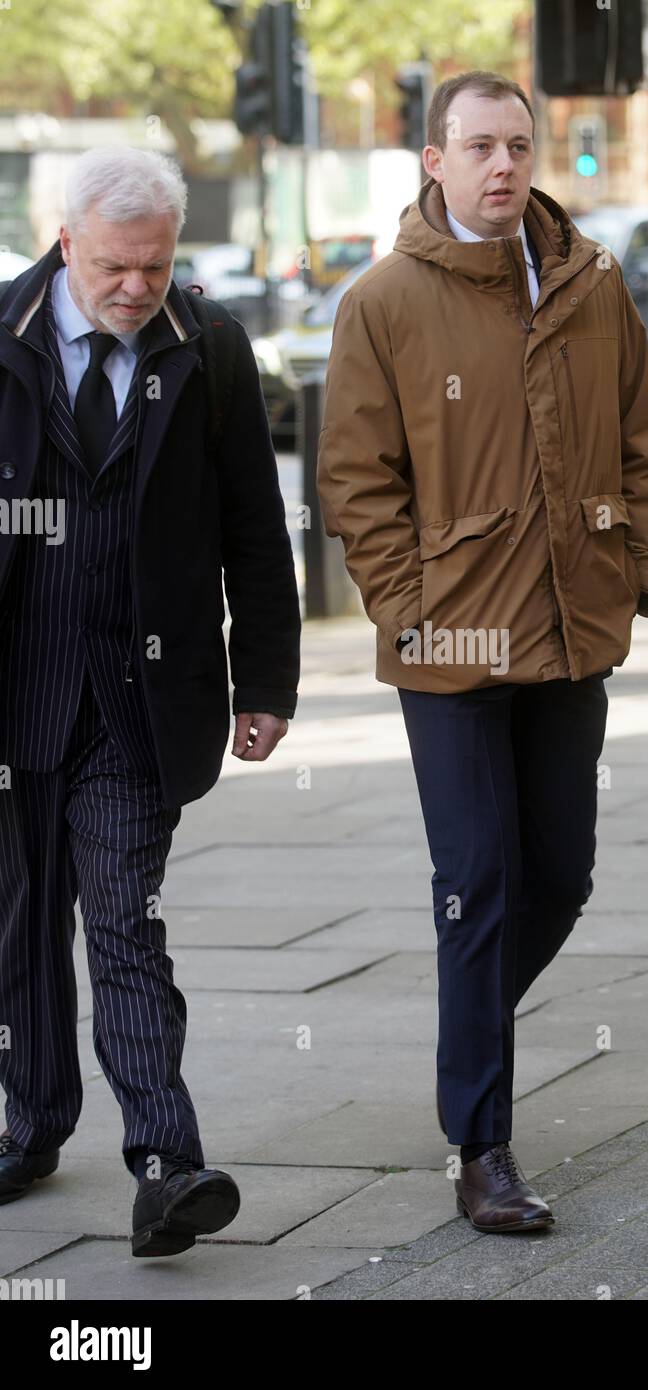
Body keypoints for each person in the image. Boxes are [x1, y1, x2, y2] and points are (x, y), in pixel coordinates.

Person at [318, 69, 648, 1234]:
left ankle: (468, 1036)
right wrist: (412, 610)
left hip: (573, 628)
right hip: (452, 650)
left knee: (558, 876)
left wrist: (642, 568)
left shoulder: (593, 280)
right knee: (476, 885)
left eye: (519, 144)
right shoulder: (382, 303)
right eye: (479, 146)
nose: (504, 165)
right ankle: (484, 1146)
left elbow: (639, 435)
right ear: (435, 160)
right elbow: (356, 488)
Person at [0, 146, 301, 1256]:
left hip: (137, 697)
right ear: (67, 241)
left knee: (125, 923)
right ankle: (30, 1124)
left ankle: (168, 1163)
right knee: (19, 927)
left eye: (158, 268)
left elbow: (255, 533)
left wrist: (266, 681)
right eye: (119, 268)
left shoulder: (209, 345)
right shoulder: (3, 333)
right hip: (14, 689)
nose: (139, 289)